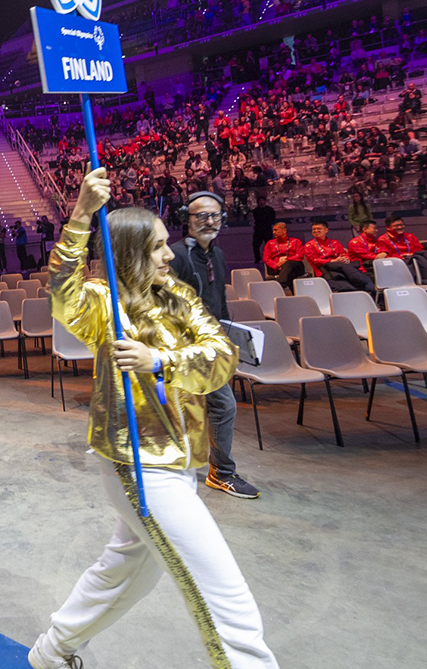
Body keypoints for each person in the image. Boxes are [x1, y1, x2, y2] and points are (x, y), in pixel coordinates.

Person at [30, 167, 278, 669]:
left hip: (184, 463)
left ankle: (50, 653)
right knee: (221, 589)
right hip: (138, 466)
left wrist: (160, 361)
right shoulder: (102, 302)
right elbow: (61, 287)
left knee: (124, 573)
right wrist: (80, 213)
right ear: (129, 253)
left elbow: (221, 357)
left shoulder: (178, 296)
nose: (170, 254)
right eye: (159, 246)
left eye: (169, 244)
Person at [167, 192, 260, 500]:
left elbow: (218, 304)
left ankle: (219, 472)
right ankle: (205, 472)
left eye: (215, 215)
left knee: (220, 406)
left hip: (209, 348)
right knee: (186, 409)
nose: (209, 221)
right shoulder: (175, 256)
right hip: (183, 350)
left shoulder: (216, 255)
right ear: (186, 220)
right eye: (201, 216)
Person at [303, 221, 375, 294]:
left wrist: (345, 259)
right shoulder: (309, 245)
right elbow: (314, 260)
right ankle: (366, 283)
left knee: (350, 271)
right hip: (325, 269)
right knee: (349, 284)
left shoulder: (335, 243)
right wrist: (333, 261)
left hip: (341, 269)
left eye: (318, 229)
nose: (316, 231)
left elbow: (344, 254)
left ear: (326, 230)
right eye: (313, 229)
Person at [377, 215, 427, 280]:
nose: (400, 227)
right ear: (388, 227)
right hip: (397, 265)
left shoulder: (410, 236)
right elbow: (384, 258)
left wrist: (411, 255)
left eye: (402, 225)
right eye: (396, 226)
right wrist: (400, 258)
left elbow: (420, 250)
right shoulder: (382, 240)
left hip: (414, 261)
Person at [261, 222, 303, 292]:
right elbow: (266, 258)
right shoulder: (270, 243)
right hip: (277, 268)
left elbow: (300, 255)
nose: (274, 232)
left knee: (288, 264)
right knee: (289, 274)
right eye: (273, 230)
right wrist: (276, 265)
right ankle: (296, 294)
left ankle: (281, 285)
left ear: (284, 231)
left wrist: (286, 260)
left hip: (296, 267)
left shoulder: (296, 241)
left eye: (276, 230)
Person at [251, 195, 276, 265]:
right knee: (255, 244)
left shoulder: (270, 210)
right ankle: (257, 258)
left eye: (262, 200)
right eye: (260, 201)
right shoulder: (256, 211)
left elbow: (273, 218)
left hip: (267, 229)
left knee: (269, 244)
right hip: (258, 229)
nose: (261, 202)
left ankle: (270, 257)